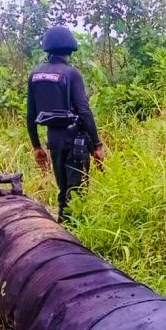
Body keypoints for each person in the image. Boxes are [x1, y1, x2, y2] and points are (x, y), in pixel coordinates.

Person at [27, 25, 105, 221]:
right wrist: (97, 145)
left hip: (53, 139)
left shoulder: (35, 75)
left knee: (63, 192)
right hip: (75, 141)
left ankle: (63, 230)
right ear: (69, 48)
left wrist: (36, 146)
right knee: (77, 194)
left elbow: (30, 115)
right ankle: (74, 239)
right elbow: (84, 111)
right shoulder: (71, 74)